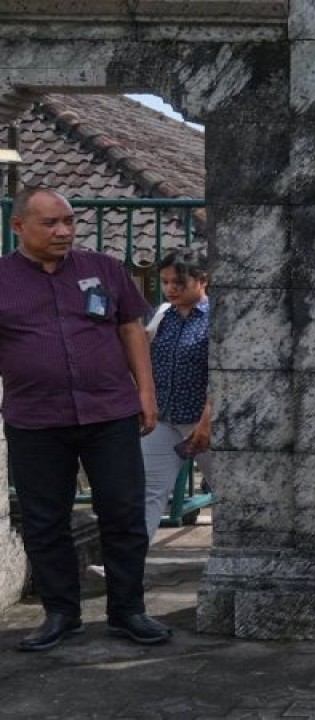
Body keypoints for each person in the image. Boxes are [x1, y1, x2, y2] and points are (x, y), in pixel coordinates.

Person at [0, 187, 171, 650]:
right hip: (35, 419)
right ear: (19, 228)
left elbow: (131, 328)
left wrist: (146, 392)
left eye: (69, 221)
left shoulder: (104, 269)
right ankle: (61, 613)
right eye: (50, 223)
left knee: (123, 511)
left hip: (109, 411)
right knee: (44, 519)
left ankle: (128, 611)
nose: (63, 231)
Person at [140, 248, 212, 541]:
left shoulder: (215, 318)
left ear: (202, 280)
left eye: (179, 282)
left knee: (233, 492)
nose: (171, 288)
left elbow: (223, 374)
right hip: (164, 419)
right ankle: (124, 567)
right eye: (166, 282)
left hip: (202, 421)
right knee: (146, 491)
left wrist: (207, 419)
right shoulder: (161, 316)